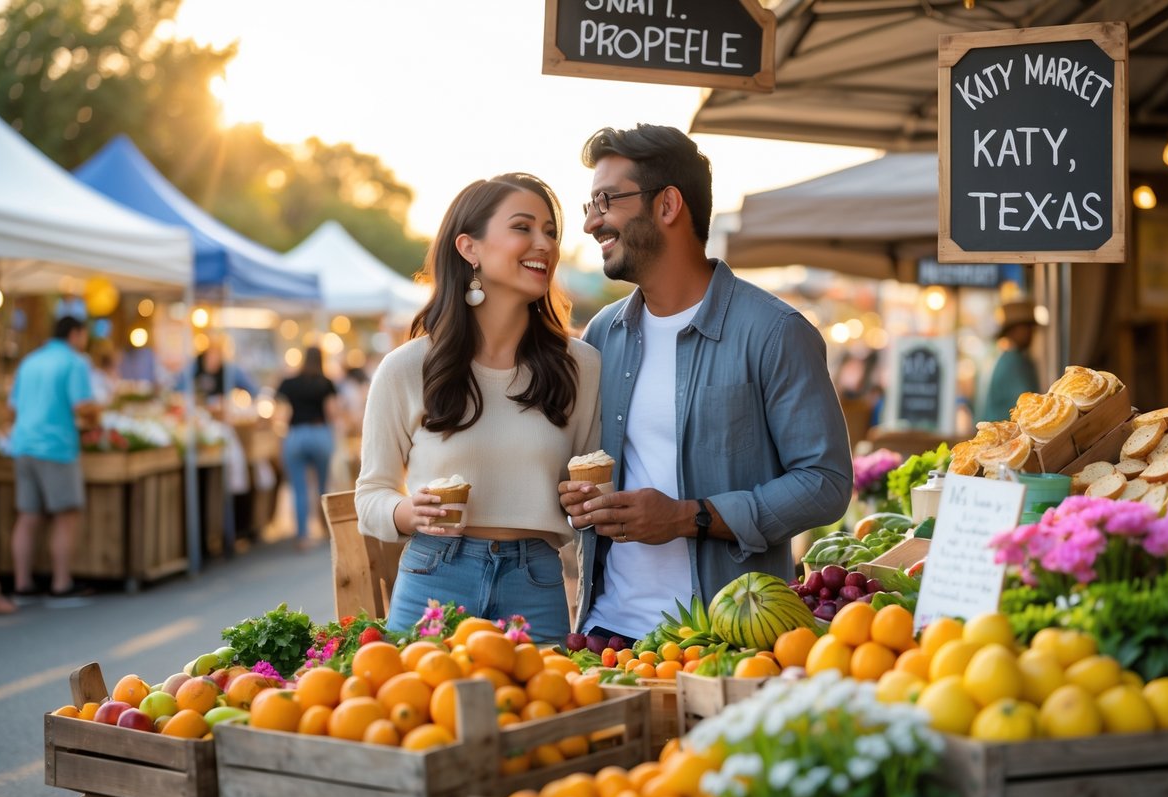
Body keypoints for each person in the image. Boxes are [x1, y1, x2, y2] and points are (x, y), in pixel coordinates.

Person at [559, 125, 854, 643]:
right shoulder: (604, 333)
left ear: (668, 205)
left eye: (606, 200)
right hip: (606, 633)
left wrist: (686, 517)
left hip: (727, 639)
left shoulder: (774, 331)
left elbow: (825, 482)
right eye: (590, 202)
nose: (589, 222)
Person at [355, 173, 602, 643]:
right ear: (469, 248)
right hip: (435, 574)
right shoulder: (406, 368)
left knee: (541, 716)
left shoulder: (582, 367)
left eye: (550, 232)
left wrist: (585, 502)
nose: (543, 244)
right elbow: (370, 496)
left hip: (536, 579)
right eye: (523, 228)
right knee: (423, 717)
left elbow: (589, 488)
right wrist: (410, 513)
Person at [7, 316, 101, 600]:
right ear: (76, 334)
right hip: (56, 445)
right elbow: (84, 407)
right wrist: (98, 416)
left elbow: (11, 409)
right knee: (66, 516)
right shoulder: (74, 362)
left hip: (22, 444)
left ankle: (22, 584)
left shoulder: (30, 360)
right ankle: (61, 584)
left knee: (28, 516)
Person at [276, 345, 339, 550]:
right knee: (322, 487)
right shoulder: (325, 383)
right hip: (319, 432)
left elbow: (278, 409)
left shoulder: (290, 382)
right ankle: (326, 530)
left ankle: (302, 536)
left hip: (295, 434)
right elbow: (331, 411)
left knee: (299, 489)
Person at [981, 299, 1043, 422]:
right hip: (1007, 434)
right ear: (1014, 330)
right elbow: (1027, 406)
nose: (1031, 333)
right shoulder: (1014, 362)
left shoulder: (1006, 358)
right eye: (1027, 328)